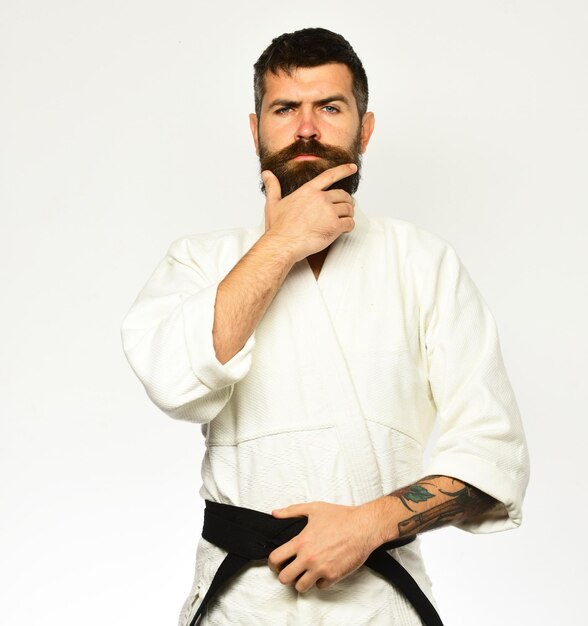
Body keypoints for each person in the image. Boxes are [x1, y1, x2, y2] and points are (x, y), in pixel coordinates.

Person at [121, 27, 529, 626]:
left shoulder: (423, 262)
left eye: (329, 108)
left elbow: (493, 460)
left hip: (381, 604)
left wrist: (367, 525)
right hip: (241, 606)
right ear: (255, 129)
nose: (306, 128)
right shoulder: (199, 261)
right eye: (285, 109)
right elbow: (174, 383)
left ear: (364, 129)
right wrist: (282, 241)